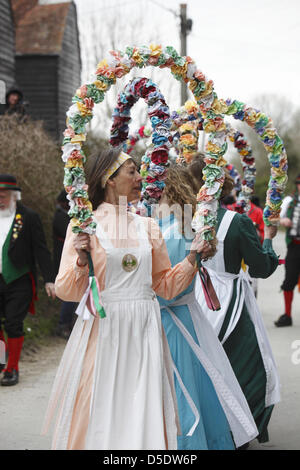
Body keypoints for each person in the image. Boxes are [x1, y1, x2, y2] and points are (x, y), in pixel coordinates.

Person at [42, 147, 212, 450]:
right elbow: (66, 291)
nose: (139, 178)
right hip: (103, 330)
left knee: (144, 410)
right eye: (131, 171)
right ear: (109, 179)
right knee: (99, 406)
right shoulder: (83, 225)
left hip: (145, 330)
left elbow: (164, 286)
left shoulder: (148, 226)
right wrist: (81, 261)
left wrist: (192, 258)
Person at [155, 165, 258, 450]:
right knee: (200, 384)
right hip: (188, 315)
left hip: (171, 316)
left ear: (162, 187)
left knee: (181, 388)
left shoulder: (171, 230)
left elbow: (166, 287)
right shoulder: (185, 225)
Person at [189, 155, 281, 445]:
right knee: (250, 366)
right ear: (221, 182)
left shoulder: (179, 218)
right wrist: (269, 240)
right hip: (231, 301)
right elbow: (261, 268)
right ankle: (241, 429)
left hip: (191, 296)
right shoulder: (237, 222)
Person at [0, 174, 56, 386]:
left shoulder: (28, 217)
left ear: (15, 196)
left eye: (3, 196)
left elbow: (41, 249)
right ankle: (2, 361)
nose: (0, 199)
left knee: (14, 323)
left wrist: (49, 280)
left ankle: (12, 369)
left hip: (19, 279)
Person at [275, 174, 300, 327]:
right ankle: (287, 315)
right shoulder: (290, 201)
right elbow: (274, 216)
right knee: (289, 279)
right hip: (294, 246)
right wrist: (283, 220)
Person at [52, 189, 77, 338]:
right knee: (69, 296)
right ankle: (63, 324)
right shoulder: (61, 217)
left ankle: (68, 322)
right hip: (64, 259)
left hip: (68, 258)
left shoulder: (64, 215)